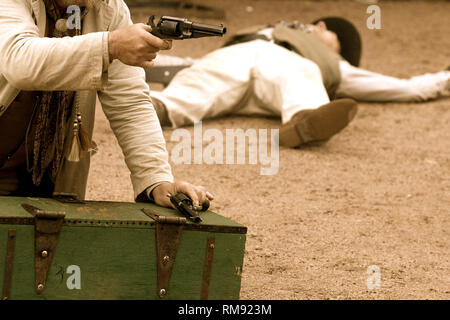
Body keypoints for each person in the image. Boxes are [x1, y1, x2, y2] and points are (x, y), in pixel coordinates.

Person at [0, 0, 213, 209]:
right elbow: (20, 61)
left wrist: (156, 179)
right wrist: (109, 45)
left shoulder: (110, 9)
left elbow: (129, 101)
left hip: (42, 180)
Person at [149, 17, 450, 147]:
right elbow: (188, 66)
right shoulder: (269, 34)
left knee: (303, 73)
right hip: (236, 57)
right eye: (333, 38)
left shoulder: (334, 65)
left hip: (285, 70)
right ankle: (159, 106)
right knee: (204, 77)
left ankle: (303, 121)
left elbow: (404, 88)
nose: (319, 31)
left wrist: (444, 78)